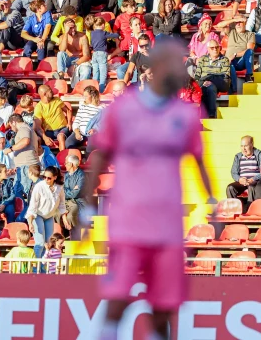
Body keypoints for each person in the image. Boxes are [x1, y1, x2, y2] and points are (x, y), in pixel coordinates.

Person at [82, 40, 215, 340]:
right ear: (153, 70)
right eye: (170, 64)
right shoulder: (123, 109)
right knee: (118, 298)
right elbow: (100, 157)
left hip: (168, 225)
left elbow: (199, 163)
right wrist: (89, 207)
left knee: (164, 305)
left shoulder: (186, 116)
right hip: (128, 222)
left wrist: (212, 201)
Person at [24, 166, 66, 257]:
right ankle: (35, 268)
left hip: (49, 216)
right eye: (44, 177)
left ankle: (44, 266)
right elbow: (32, 206)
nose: (46, 179)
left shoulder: (59, 187)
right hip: (37, 215)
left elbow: (62, 204)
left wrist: (65, 219)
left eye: (49, 178)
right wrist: (30, 223)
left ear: (55, 177)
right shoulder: (39, 186)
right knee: (40, 242)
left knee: (48, 243)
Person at [226, 135, 261, 202]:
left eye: (246, 146)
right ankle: (234, 209)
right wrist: (239, 179)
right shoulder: (238, 156)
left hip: (255, 181)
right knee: (230, 188)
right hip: (242, 181)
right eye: (242, 146)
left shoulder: (260, 154)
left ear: (252, 144)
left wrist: (253, 179)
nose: (243, 148)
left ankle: (251, 208)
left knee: (251, 187)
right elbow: (233, 172)